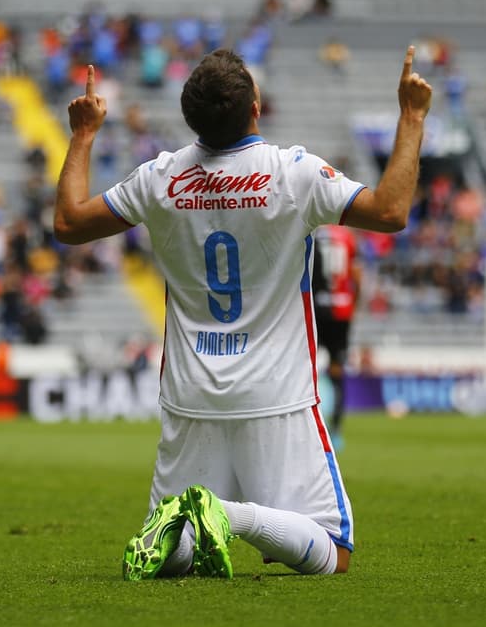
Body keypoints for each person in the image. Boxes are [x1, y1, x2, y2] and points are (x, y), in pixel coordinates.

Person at [54, 47, 431, 580]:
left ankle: (188, 531)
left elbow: (69, 223)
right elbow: (390, 210)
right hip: (275, 394)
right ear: (256, 107)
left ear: (191, 117)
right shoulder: (294, 172)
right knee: (333, 552)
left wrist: (84, 133)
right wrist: (412, 117)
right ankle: (230, 515)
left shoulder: (159, 177)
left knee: (172, 540)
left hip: (190, 394)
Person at [312, 222, 361, 449]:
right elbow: (357, 275)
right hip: (342, 310)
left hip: (314, 309)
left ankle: (307, 427)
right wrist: (354, 304)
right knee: (337, 372)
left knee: (305, 368)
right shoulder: (347, 236)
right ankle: (337, 430)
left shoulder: (313, 231)